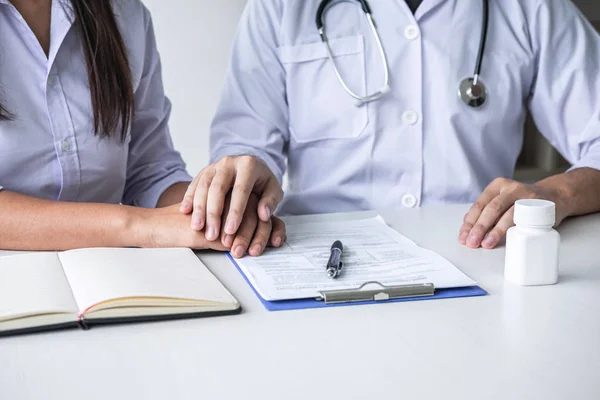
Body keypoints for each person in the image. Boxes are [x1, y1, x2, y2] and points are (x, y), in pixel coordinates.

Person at [187, 0, 600, 250]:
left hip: (478, 257)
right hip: (315, 259)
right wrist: (244, 172)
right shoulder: (279, 7)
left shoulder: (532, 8)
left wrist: (552, 193)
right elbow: (243, 147)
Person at [0, 0, 285, 257]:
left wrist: (216, 210)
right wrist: (144, 227)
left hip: (110, 273)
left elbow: (149, 172)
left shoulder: (125, 14)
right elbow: (151, 223)